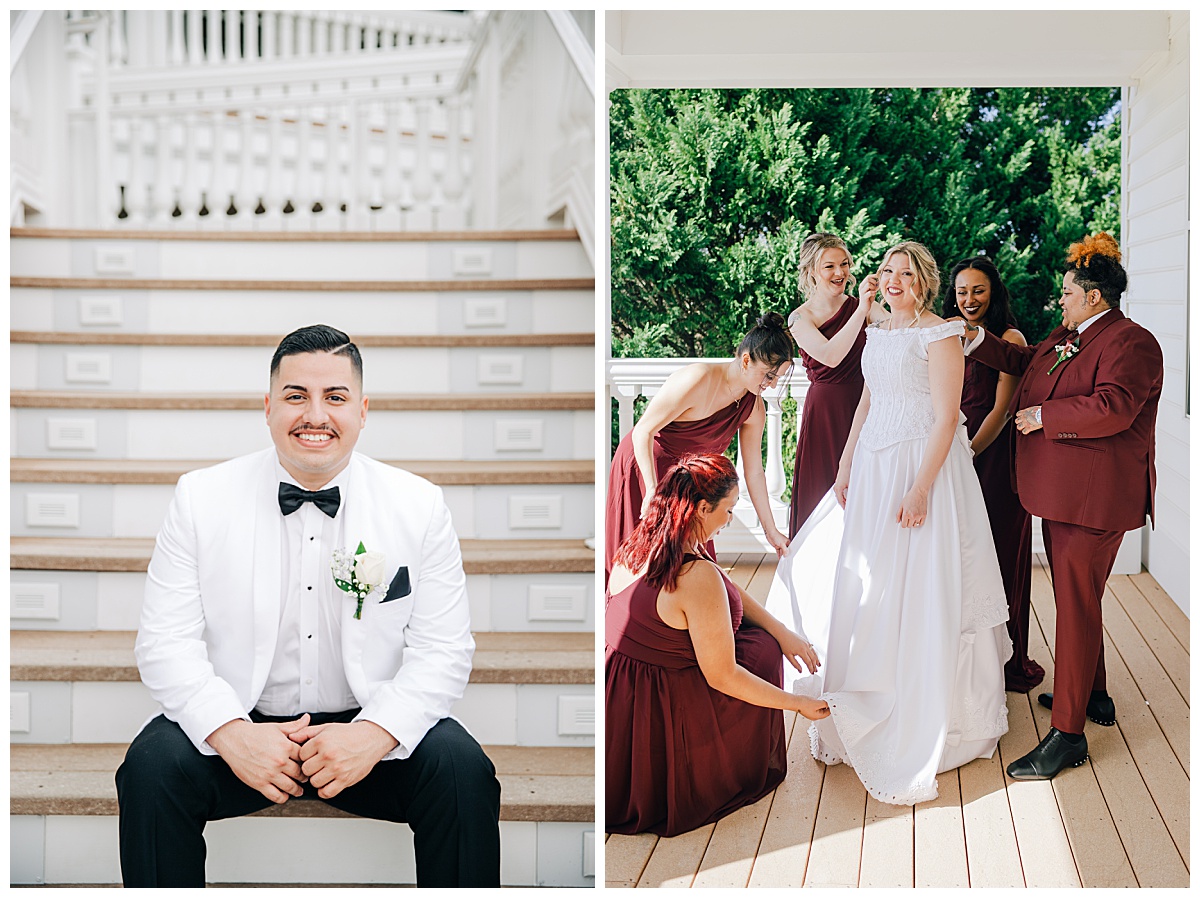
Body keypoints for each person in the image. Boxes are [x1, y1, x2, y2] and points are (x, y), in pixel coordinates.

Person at [115, 325, 501, 887]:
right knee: (150, 771)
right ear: (268, 408)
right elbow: (163, 643)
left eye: (335, 398)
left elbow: (444, 652)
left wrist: (374, 734)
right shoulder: (201, 499)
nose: (314, 415)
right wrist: (230, 733)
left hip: (367, 727)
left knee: (464, 773)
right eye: (296, 396)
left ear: (363, 411)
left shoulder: (419, 505)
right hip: (240, 727)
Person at [766, 241, 1011, 805]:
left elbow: (948, 416)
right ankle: (870, 685)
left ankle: (933, 710)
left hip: (922, 467)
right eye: (887, 271)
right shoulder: (877, 328)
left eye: (906, 273)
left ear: (923, 281)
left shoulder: (940, 333)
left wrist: (921, 487)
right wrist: (847, 466)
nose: (893, 280)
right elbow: (867, 401)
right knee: (872, 582)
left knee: (920, 583)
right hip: (874, 467)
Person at [963, 233, 1163, 781]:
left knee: (1074, 608)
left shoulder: (1133, 342)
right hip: (1063, 495)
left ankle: (1068, 736)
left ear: (1094, 296)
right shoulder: (1070, 333)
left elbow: (1114, 407)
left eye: (1069, 292)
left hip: (1094, 502)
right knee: (1081, 599)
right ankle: (1094, 696)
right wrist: (974, 341)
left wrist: (1045, 418)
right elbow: (1027, 362)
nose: (1061, 299)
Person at [605, 453, 830, 837]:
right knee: (758, 653)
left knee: (764, 638)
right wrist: (797, 704)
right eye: (728, 511)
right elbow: (723, 676)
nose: (729, 522)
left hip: (621, 697)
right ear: (702, 508)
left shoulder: (644, 539)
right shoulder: (697, 575)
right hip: (661, 705)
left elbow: (726, 589)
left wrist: (782, 630)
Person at [605, 313, 795, 582]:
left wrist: (771, 530)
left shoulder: (754, 407)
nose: (773, 384)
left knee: (691, 568)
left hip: (689, 482)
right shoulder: (698, 378)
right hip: (646, 467)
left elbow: (754, 472)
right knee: (640, 564)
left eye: (778, 377)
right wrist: (651, 492)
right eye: (769, 374)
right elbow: (643, 431)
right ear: (745, 360)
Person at [941, 257, 1045, 693]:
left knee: (1000, 556)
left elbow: (1001, 411)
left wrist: (968, 452)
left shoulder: (1010, 337)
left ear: (994, 293)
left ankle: (1007, 660)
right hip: (953, 450)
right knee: (958, 555)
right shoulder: (946, 332)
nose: (969, 300)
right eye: (962, 291)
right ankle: (964, 662)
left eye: (978, 291)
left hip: (993, 455)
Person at [785, 232, 885, 536]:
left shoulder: (863, 306)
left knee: (862, 491)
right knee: (822, 492)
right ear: (812, 271)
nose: (840, 273)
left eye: (844, 264)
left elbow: (901, 330)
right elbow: (831, 356)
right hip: (824, 414)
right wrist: (862, 311)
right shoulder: (799, 318)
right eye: (829, 266)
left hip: (866, 407)